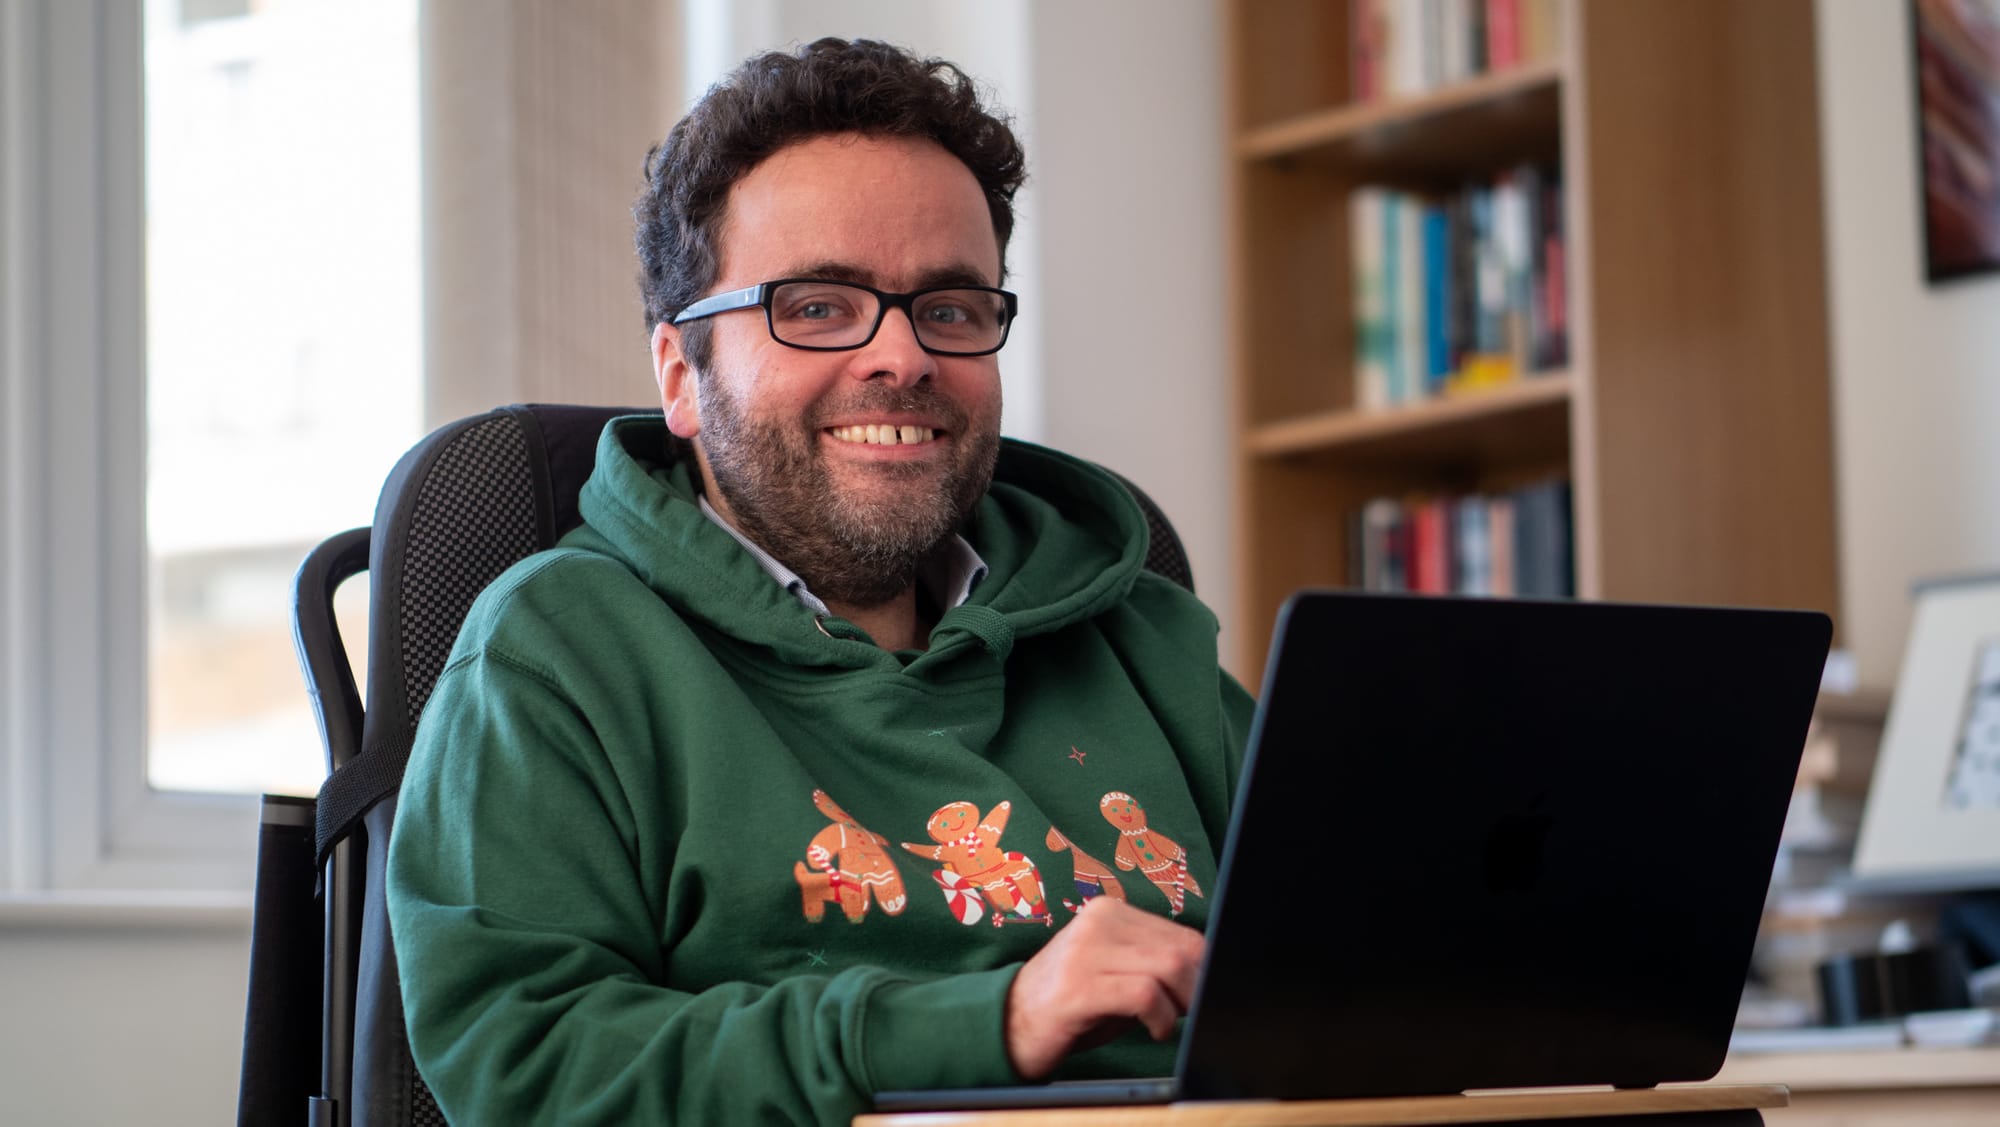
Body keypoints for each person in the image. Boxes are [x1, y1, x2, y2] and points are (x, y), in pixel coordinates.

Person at [387, 37, 1255, 1125]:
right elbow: (529, 1068)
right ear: (680, 375)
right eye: (816, 305)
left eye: (948, 306)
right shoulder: (556, 652)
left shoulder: (1139, 631)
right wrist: (987, 1023)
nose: (901, 357)